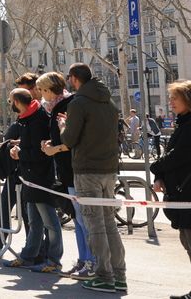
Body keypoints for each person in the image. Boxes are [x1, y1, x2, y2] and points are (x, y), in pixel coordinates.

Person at [60, 62, 127, 293]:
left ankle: (104, 276)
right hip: (109, 169)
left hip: (87, 170)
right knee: (109, 224)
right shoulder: (108, 101)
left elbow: (69, 139)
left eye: (69, 78)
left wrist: (62, 126)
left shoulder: (78, 103)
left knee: (94, 225)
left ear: (75, 78)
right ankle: (119, 275)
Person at [151, 80, 191, 299]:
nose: (170, 101)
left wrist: (156, 168)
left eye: (175, 97)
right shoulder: (186, 124)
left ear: (189, 99)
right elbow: (171, 157)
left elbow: (178, 156)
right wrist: (160, 175)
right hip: (186, 194)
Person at [38, 70, 95, 280]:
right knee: (77, 218)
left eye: (44, 90)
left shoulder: (68, 105)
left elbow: (71, 139)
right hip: (65, 169)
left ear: (53, 89)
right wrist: (50, 144)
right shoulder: (54, 108)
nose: (42, 94)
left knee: (83, 219)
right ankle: (83, 259)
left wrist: (56, 147)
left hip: (73, 168)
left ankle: (91, 261)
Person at [2, 88, 62, 272]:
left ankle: (53, 260)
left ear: (18, 102)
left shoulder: (37, 119)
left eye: (10, 101)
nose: (10, 104)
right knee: (34, 222)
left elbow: (40, 152)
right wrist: (18, 148)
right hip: (29, 176)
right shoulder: (27, 119)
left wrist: (21, 153)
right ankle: (28, 256)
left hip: (40, 177)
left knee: (50, 222)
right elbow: (30, 145)